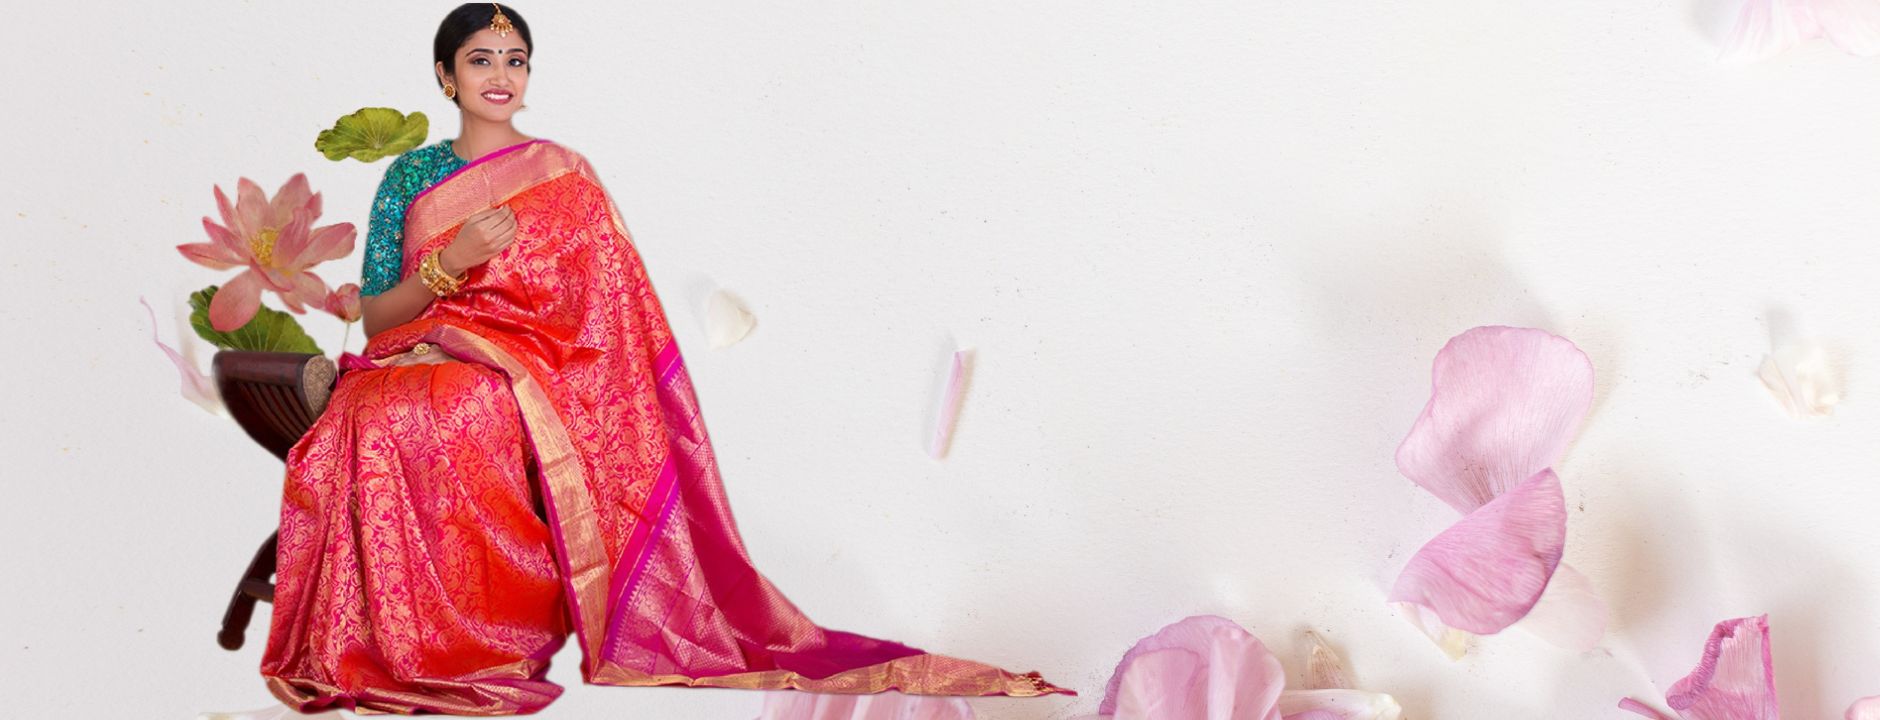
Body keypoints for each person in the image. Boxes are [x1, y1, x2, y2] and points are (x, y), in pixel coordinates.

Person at [258, 4, 1072, 715]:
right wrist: (452, 263)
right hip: (423, 348)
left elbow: (603, 316)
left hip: (529, 370)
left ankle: (484, 644)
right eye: (481, 60)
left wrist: (510, 350)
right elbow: (377, 313)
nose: (500, 76)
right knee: (375, 412)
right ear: (446, 76)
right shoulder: (410, 175)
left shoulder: (564, 175)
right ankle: (387, 647)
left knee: (453, 411)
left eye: (515, 60)